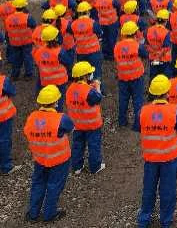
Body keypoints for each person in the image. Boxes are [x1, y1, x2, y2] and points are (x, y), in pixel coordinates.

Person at [137, 75, 177, 228]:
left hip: (150, 159)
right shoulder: (174, 111)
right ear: (167, 93)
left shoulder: (143, 111)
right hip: (169, 159)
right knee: (168, 191)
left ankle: (144, 219)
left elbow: (138, 126)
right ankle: (166, 221)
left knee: (148, 189)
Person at [24, 85, 73, 222]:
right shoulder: (60, 119)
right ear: (56, 102)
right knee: (54, 185)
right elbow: (70, 127)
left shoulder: (32, 117)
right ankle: (50, 214)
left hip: (40, 159)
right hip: (59, 160)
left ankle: (33, 214)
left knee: (38, 183)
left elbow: (27, 132)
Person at [65, 61, 104, 174]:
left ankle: (77, 167)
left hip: (77, 125)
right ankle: (95, 166)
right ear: (84, 76)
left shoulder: (70, 89)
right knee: (94, 145)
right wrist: (97, 86)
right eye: (89, 73)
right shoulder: (89, 91)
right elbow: (98, 98)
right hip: (92, 125)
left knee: (77, 145)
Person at [114, 21, 147, 131]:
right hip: (137, 77)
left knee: (123, 100)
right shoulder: (137, 45)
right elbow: (145, 54)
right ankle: (138, 125)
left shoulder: (117, 46)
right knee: (137, 100)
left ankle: (122, 121)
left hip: (122, 77)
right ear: (135, 33)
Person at [0, 73, 20, 175]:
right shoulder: (3, 81)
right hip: (3, 117)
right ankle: (5, 166)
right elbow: (12, 91)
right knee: (4, 140)